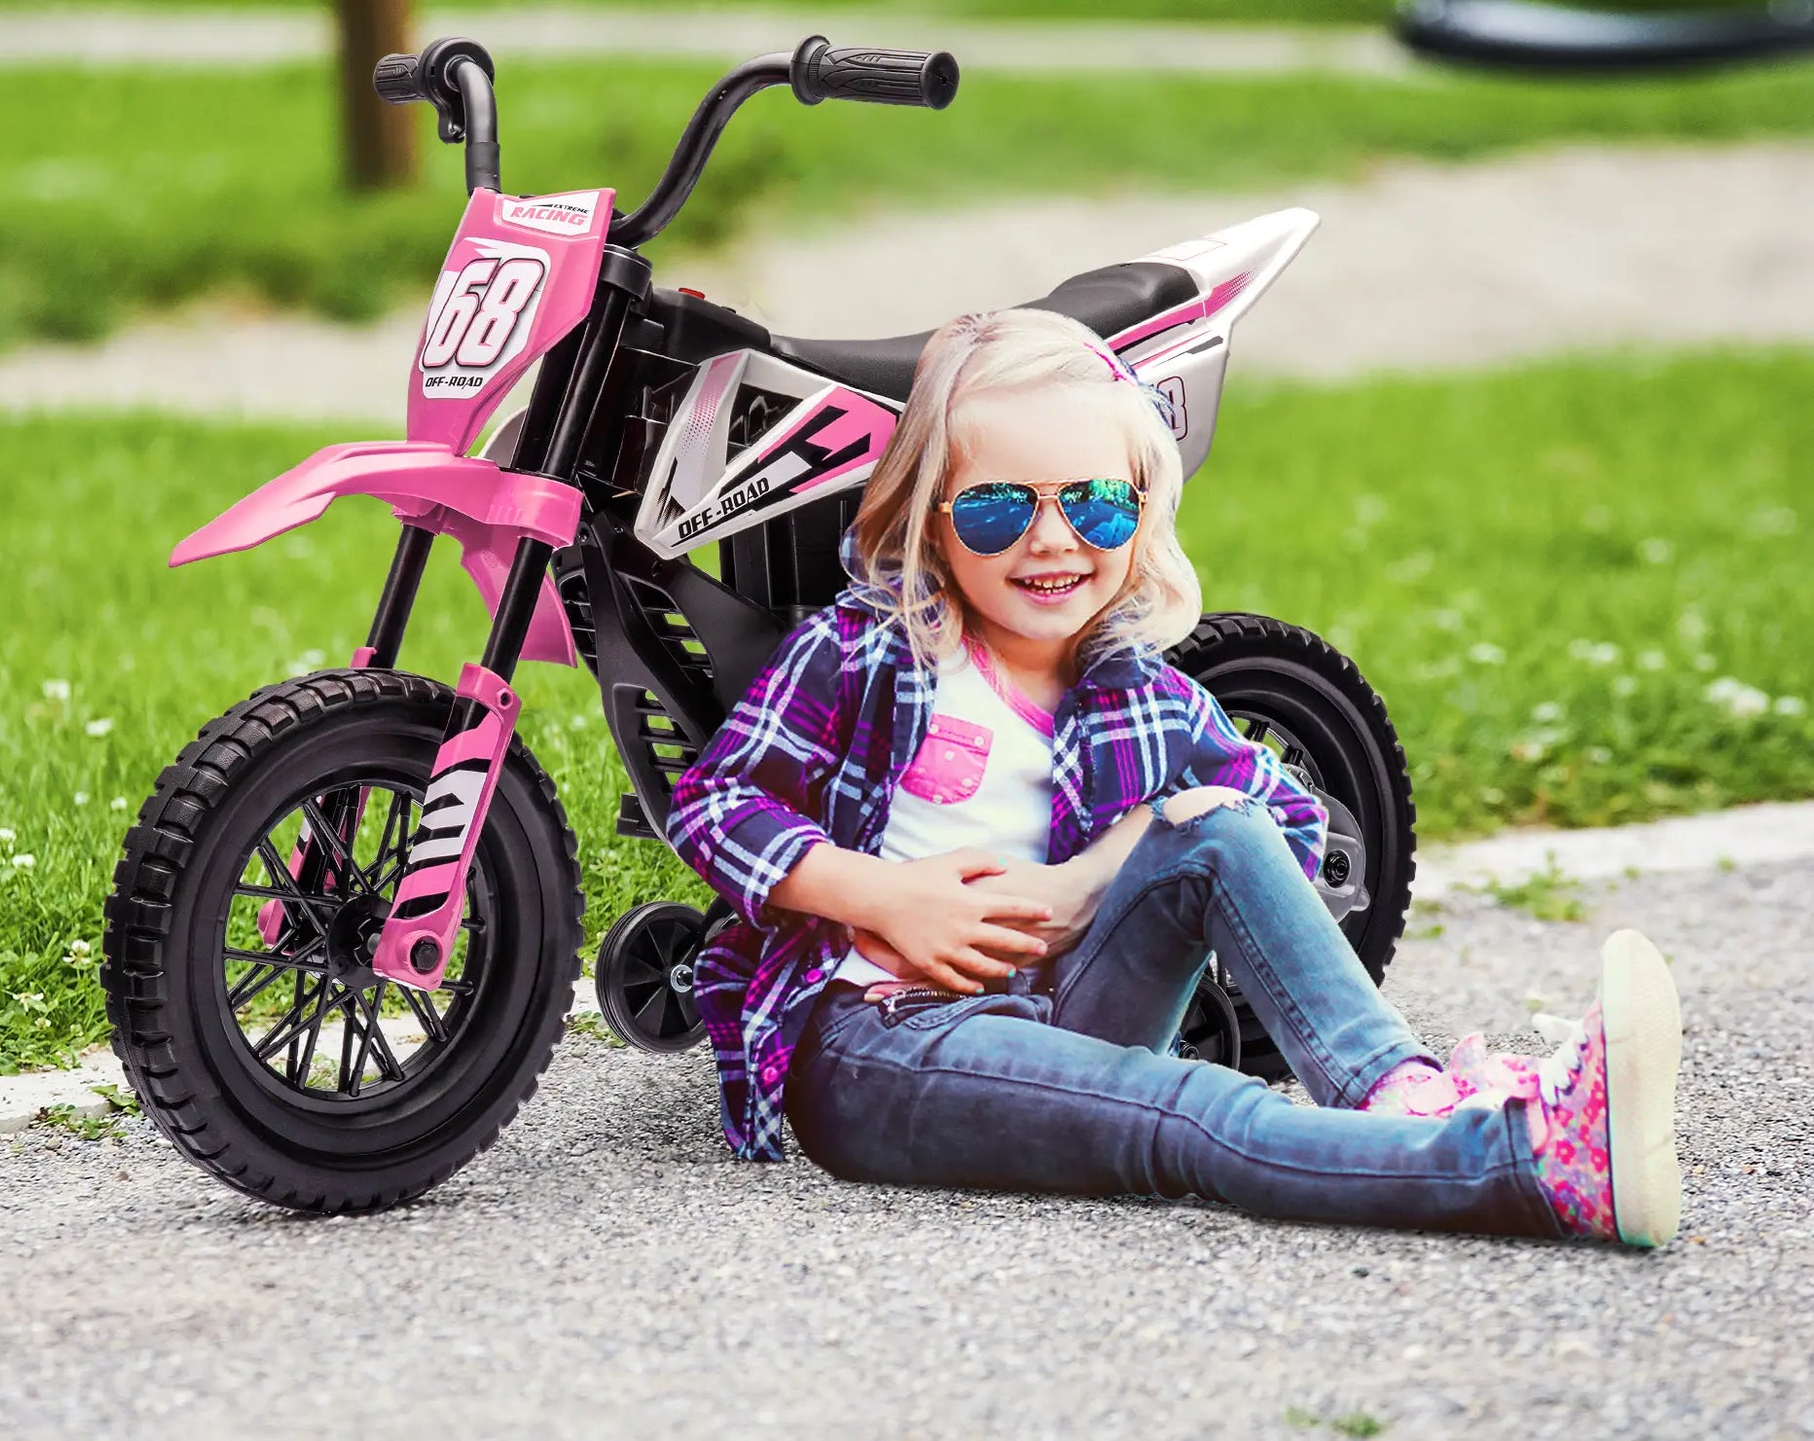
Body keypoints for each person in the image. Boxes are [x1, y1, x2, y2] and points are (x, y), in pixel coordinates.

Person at [668, 308, 1683, 1246]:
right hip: (880, 1043)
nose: (1052, 539)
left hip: (1059, 1013)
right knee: (1192, 1107)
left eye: (1097, 504)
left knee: (1216, 822)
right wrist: (881, 892)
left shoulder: (1137, 694)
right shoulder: (874, 649)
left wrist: (1088, 880)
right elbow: (712, 802)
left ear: (1141, 510)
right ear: (930, 518)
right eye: (993, 508)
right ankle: (1521, 1162)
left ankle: (1400, 1091)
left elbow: (1282, 830)